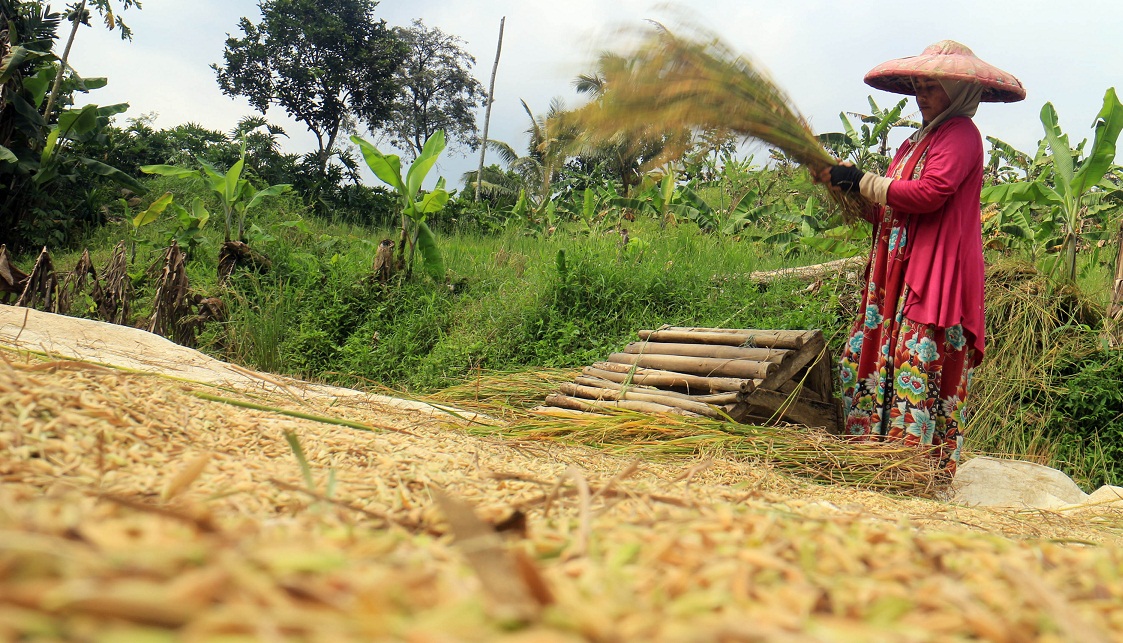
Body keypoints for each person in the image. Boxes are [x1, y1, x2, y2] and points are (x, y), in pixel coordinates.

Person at [814, 41, 1025, 475]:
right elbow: (892, 204)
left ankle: (912, 464)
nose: (920, 96)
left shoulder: (961, 135)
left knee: (918, 350)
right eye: (917, 86)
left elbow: (929, 194)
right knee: (882, 353)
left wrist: (864, 180)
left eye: (931, 87)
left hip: (935, 269)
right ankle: (873, 454)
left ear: (959, 92)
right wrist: (847, 185)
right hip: (896, 266)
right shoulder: (913, 141)